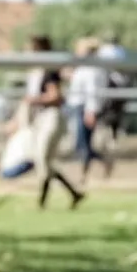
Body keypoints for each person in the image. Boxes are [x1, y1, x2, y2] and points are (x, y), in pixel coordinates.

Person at [24, 35, 83, 209]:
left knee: (43, 158)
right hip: (41, 117)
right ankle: (73, 193)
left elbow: (55, 96)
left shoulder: (49, 71)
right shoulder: (38, 72)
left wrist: (35, 100)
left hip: (51, 116)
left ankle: (43, 200)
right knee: (44, 160)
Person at [67, 37, 111, 179]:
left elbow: (92, 91)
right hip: (78, 106)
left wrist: (90, 111)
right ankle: (93, 167)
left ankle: (86, 172)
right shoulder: (85, 67)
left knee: (83, 144)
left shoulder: (92, 69)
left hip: (84, 108)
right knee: (82, 143)